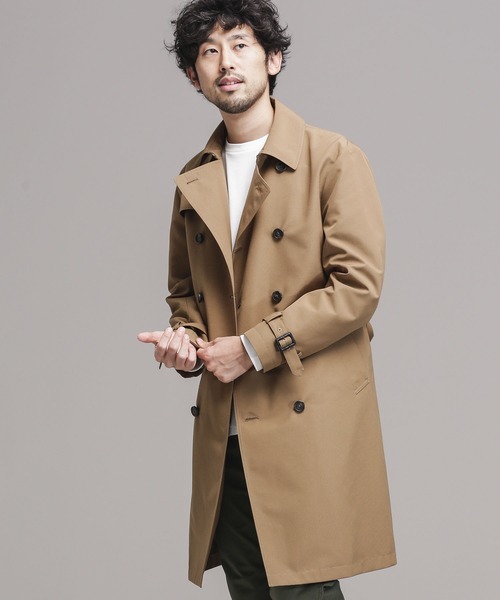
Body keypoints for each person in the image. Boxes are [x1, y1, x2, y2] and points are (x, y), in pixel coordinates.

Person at [138, 1, 396, 598]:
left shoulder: (331, 158)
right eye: (208, 52)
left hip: (303, 418)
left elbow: (358, 286)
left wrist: (253, 348)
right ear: (193, 76)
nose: (225, 62)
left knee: (304, 591)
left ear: (273, 58)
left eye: (240, 45)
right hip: (228, 429)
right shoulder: (192, 180)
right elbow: (187, 296)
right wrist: (185, 343)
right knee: (250, 590)